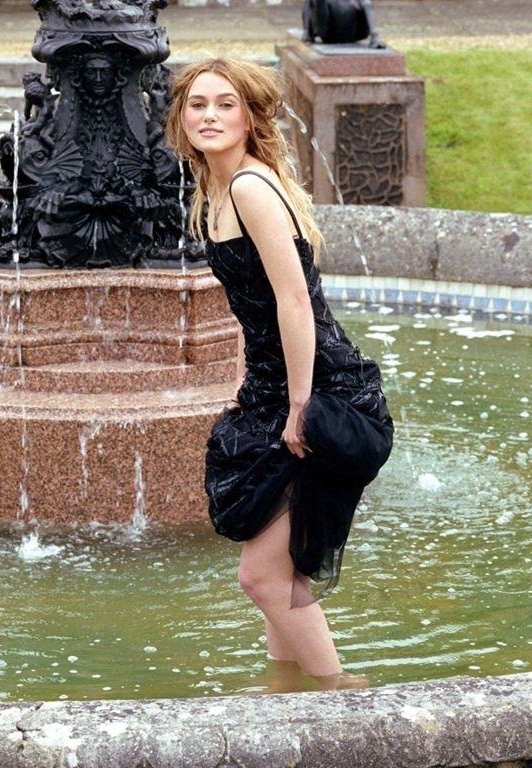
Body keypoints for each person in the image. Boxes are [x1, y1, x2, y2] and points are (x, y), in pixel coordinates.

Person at [164, 58, 393, 691]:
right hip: (277, 387)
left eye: (225, 104)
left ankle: (342, 696)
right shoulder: (214, 191)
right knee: (281, 572)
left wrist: (298, 407)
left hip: (321, 391)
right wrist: (248, 388)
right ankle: (286, 691)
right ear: (180, 117)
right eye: (197, 104)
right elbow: (254, 310)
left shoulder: (249, 188)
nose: (210, 116)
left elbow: (295, 302)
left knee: (260, 576)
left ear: (249, 117)